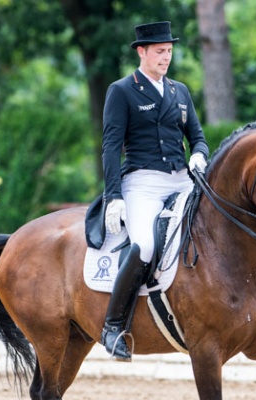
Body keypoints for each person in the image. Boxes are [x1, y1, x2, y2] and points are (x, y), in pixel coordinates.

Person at [99, 21, 209, 362]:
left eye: (170, 52)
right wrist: (113, 195)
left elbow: (198, 135)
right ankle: (113, 326)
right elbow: (110, 147)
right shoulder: (122, 90)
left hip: (181, 179)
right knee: (144, 244)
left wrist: (200, 155)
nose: (166, 58)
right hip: (143, 182)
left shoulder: (180, 91)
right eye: (160, 52)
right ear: (142, 52)